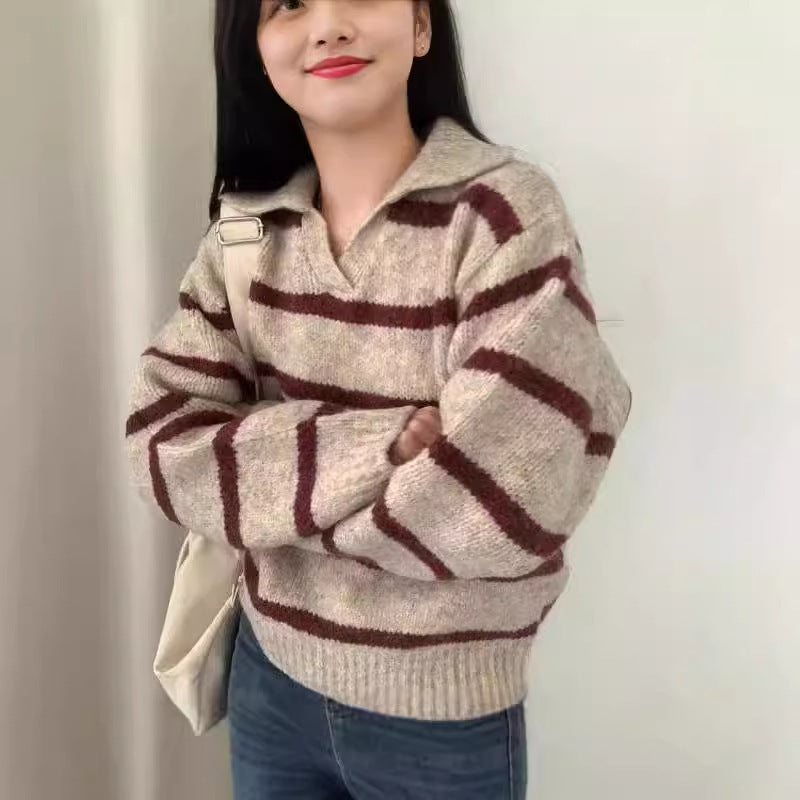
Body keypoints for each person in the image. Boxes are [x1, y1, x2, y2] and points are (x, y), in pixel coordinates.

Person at [124, 0, 632, 797]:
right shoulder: (245, 236)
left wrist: (275, 503)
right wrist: (379, 448)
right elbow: (163, 449)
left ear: (422, 24)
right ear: (256, 47)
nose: (328, 24)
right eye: (288, 5)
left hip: (441, 721)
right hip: (267, 683)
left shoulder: (504, 218)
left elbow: (510, 504)